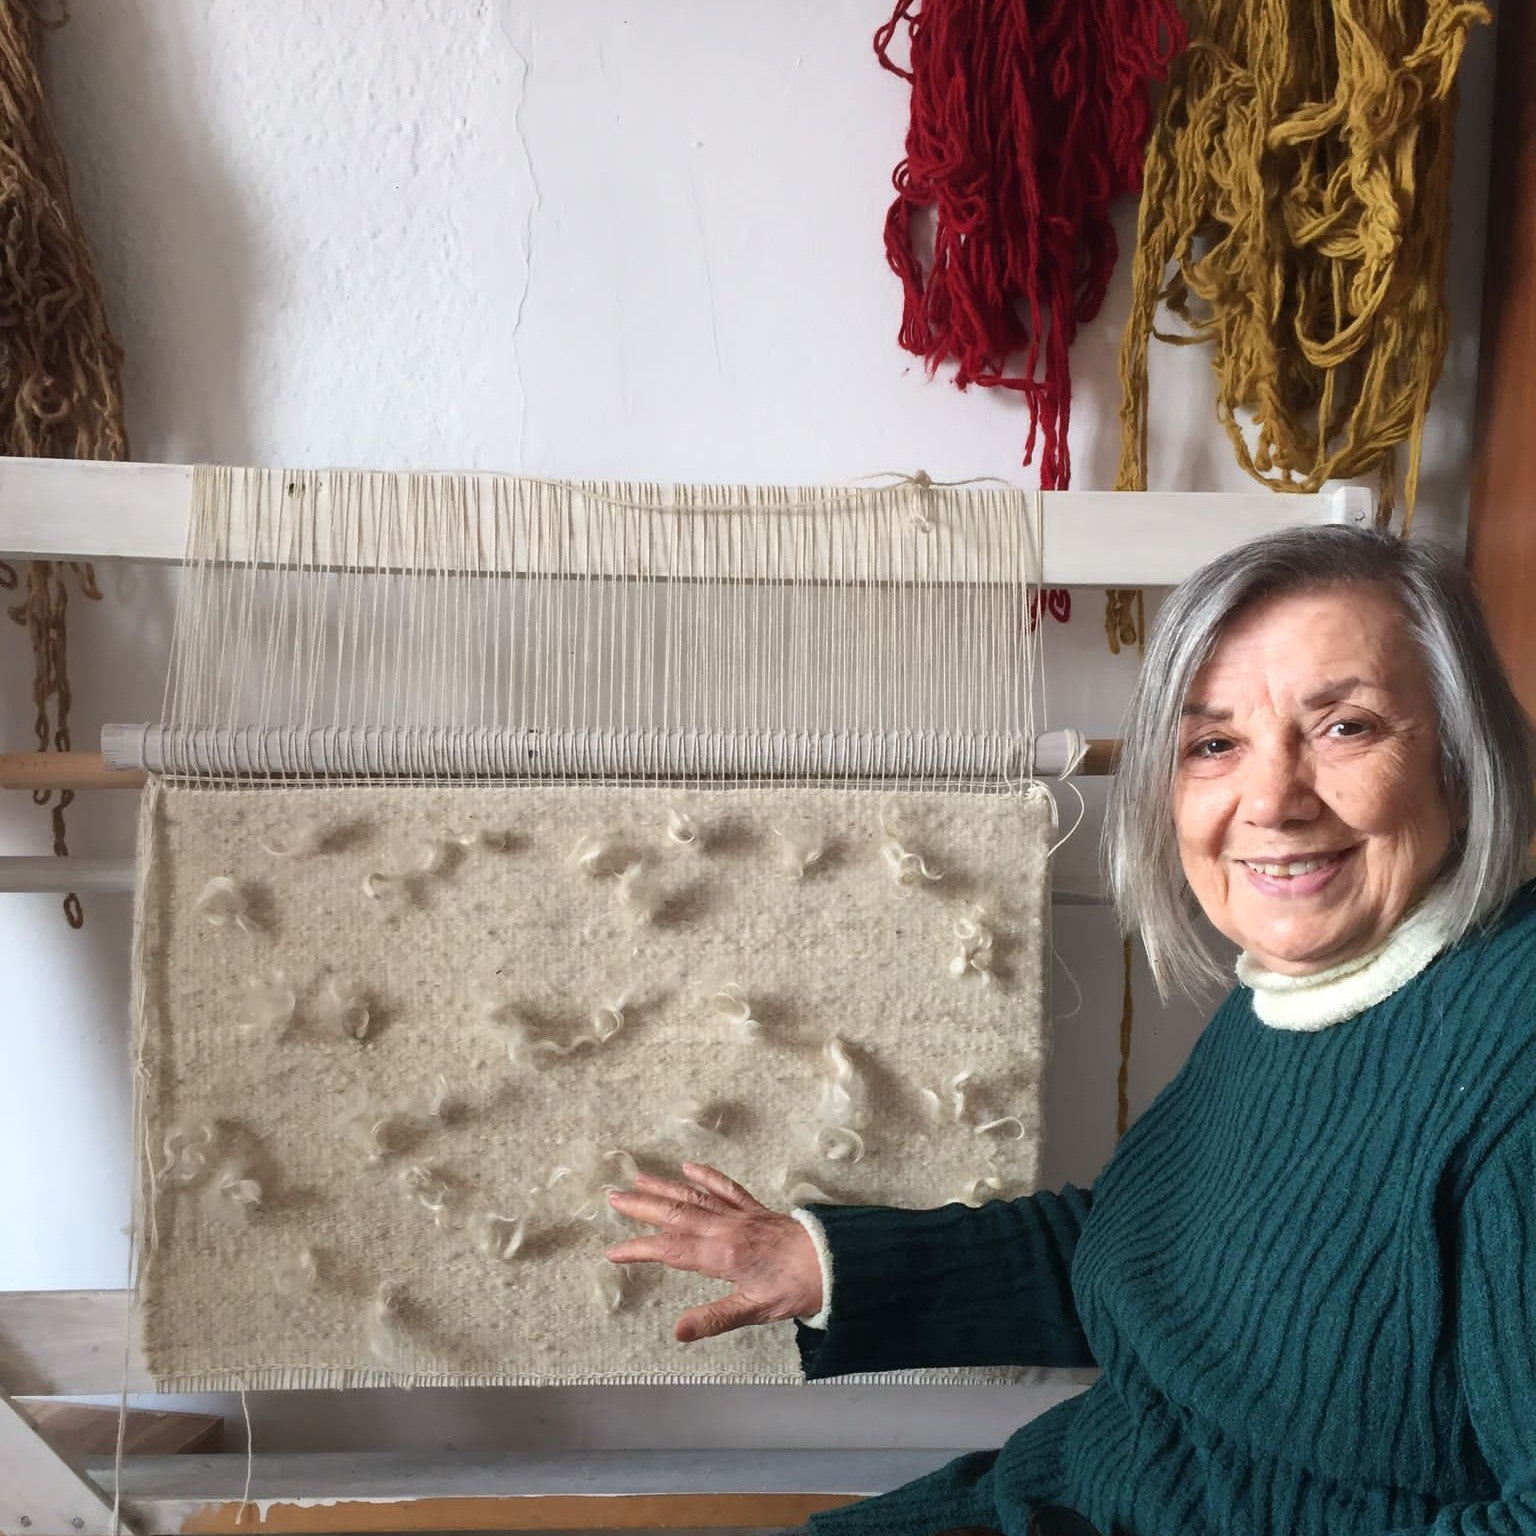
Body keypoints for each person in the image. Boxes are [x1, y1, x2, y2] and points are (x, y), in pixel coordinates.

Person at [606, 524, 1536, 1536]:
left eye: (1345, 728)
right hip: (1061, 1491)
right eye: (1214, 744)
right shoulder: (1312, 988)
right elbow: (1174, 1256)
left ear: (1461, 756)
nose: (1270, 799)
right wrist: (819, 1263)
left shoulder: (1512, 1051)